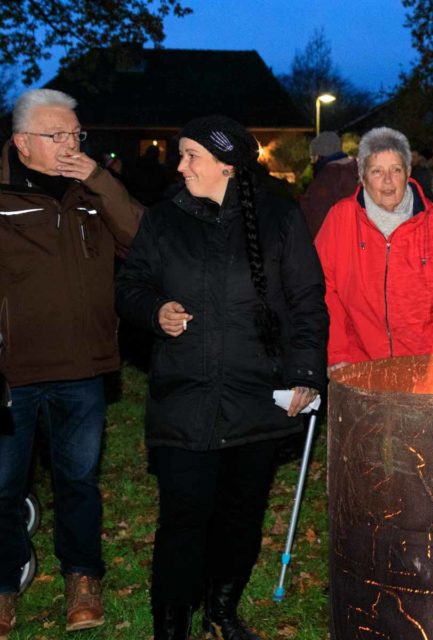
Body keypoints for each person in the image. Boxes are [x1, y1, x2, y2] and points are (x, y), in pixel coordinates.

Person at [114, 115, 327, 640]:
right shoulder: (163, 221)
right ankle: (171, 626)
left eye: (191, 156)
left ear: (227, 167)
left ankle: (222, 611)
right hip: (184, 398)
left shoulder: (279, 219)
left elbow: (306, 303)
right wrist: (155, 309)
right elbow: (129, 287)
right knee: (184, 520)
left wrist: (305, 373)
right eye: (181, 154)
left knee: (240, 518)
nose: (179, 164)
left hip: (257, 397)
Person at [0, 88, 143, 638]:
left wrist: (100, 179)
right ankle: (5, 580)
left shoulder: (92, 191)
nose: (69, 144)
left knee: (79, 480)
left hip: (83, 364)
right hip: (12, 369)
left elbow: (141, 240)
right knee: (4, 483)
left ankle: (82, 576)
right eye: (56, 135)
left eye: (75, 134)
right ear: (22, 142)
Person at [315, 127, 433, 367]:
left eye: (396, 169)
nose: (388, 180)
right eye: (377, 171)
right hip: (360, 364)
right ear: (362, 176)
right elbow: (323, 290)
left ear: (408, 172)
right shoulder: (341, 219)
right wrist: (337, 355)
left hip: (423, 366)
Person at [299, 131, 358, 238]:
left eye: (313, 157)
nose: (312, 163)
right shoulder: (356, 171)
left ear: (321, 156)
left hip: (331, 245)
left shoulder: (327, 178)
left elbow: (316, 218)